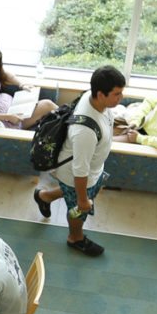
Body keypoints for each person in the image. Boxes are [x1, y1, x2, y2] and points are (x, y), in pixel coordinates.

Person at [33, 65, 129, 257]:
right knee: (78, 209)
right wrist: (83, 199)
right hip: (77, 174)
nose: (121, 97)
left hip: (92, 169)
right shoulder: (84, 131)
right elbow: (80, 171)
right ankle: (75, 238)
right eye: (117, 94)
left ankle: (45, 196)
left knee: (74, 192)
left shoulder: (92, 97)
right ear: (101, 94)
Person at [0, 42, 57, 130]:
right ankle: (68, 118)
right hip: (8, 121)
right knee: (47, 105)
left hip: (13, 107)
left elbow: (8, 75)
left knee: (47, 106)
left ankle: (67, 119)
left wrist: (22, 84)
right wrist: (8, 117)